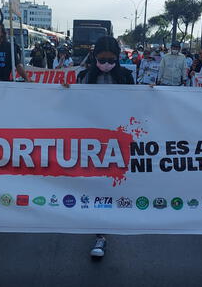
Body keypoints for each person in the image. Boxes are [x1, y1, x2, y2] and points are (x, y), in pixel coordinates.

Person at [76, 36, 134, 259]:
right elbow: (72, 107)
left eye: (111, 59)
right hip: (90, 140)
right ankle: (98, 229)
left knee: (108, 183)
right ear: (94, 58)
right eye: (102, 59)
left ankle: (101, 233)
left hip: (117, 140)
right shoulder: (84, 77)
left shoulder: (127, 77)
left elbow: (136, 107)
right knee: (94, 183)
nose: (107, 63)